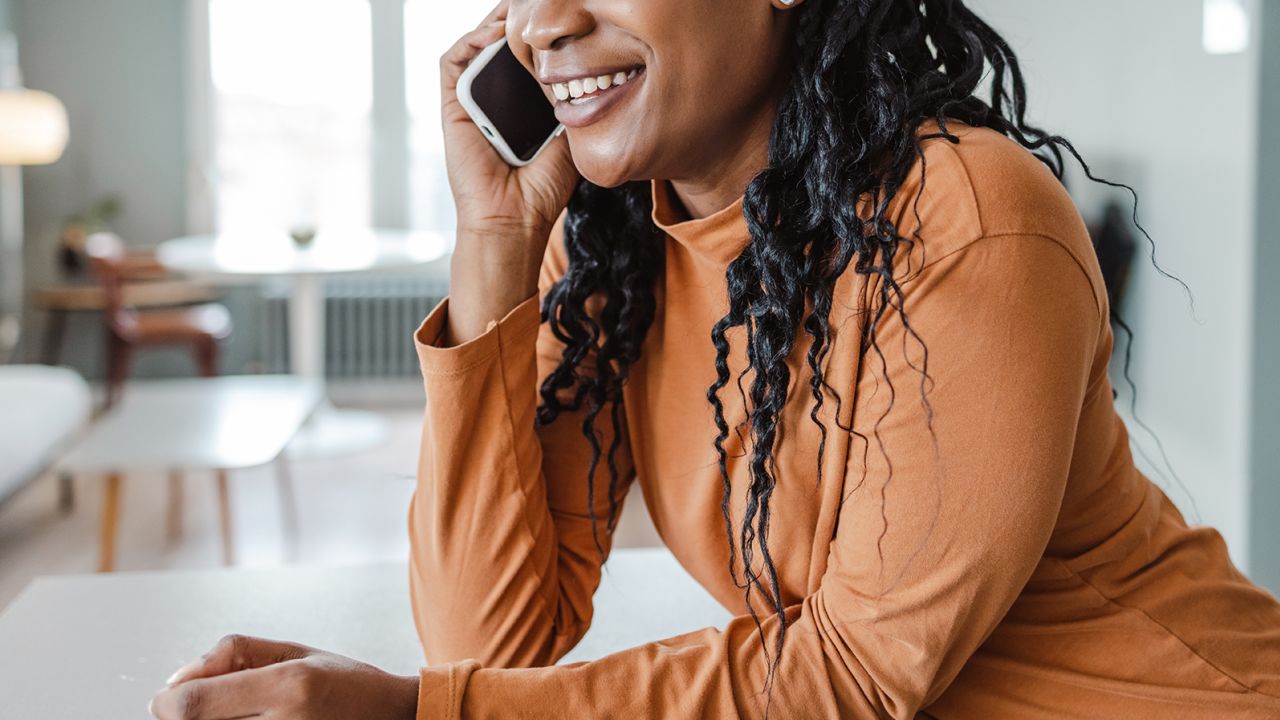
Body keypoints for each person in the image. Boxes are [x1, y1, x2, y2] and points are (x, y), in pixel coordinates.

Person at [149, 0, 1280, 718]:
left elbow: (852, 677)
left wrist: (417, 715)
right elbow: (493, 641)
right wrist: (495, 249)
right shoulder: (614, 257)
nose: (541, 24)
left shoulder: (962, 222)